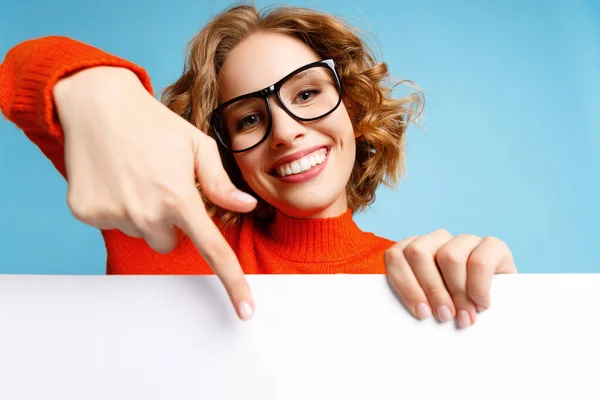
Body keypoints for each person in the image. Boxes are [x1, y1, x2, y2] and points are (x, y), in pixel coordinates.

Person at [0, 3, 516, 326]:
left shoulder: (418, 279)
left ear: (353, 109)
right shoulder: (162, 235)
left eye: (308, 93)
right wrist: (105, 90)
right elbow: (21, 68)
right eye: (248, 119)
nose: (287, 130)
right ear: (225, 147)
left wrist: (507, 305)